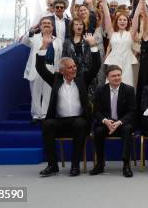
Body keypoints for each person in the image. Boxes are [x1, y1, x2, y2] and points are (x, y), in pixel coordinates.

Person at [35, 32, 100, 177]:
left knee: (79, 124)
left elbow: (96, 66)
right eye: (70, 67)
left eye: (74, 66)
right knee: (47, 124)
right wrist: (44, 46)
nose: (74, 69)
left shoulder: (82, 79)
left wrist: (93, 45)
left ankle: (75, 166)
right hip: (61, 122)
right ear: (62, 70)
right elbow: (40, 68)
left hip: (79, 121)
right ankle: (52, 165)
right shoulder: (56, 80)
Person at [90, 65, 137, 177]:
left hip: (122, 123)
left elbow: (132, 111)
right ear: (107, 77)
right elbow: (96, 111)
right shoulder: (100, 90)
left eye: (118, 75)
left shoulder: (129, 90)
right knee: (98, 131)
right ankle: (100, 164)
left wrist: (119, 122)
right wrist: (105, 121)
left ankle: (126, 165)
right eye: (113, 76)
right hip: (107, 124)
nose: (117, 78)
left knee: (127, 129)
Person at [23, 17, 63, 122]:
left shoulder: (58, 40)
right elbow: (24, 41)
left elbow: (59, 56)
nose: (46, 24)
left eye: (49, 23)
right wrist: (31, 31)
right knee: (35, 92)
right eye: (44, 23)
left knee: (48, 92)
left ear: (52, 27)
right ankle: (36, 115)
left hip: (51, 67)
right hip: (36, 67)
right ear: (40, 26)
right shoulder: (34, 38)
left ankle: (45, 114)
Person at [101, 0, 138, 87]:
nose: (122, 21)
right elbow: (107, 17)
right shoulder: (112, 33)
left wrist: (141, 1)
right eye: (120, 20)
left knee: (127, 87)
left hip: (127, 63)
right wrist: (104, 3)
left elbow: (136, 17)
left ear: (128, 22)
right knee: (111, 87)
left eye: (124, 20)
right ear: (116, 22)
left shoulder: (130, 33)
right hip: (114, 62)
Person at [62, 19, 101, 101]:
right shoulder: (67, 42)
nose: (79, 26)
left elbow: (96, 57)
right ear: (72, 27)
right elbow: (64, 59)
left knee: (89, 99)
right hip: (73, 74)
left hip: (88, 74)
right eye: (76, 24)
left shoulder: (88, 39)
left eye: (81, 24)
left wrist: (92, 43)